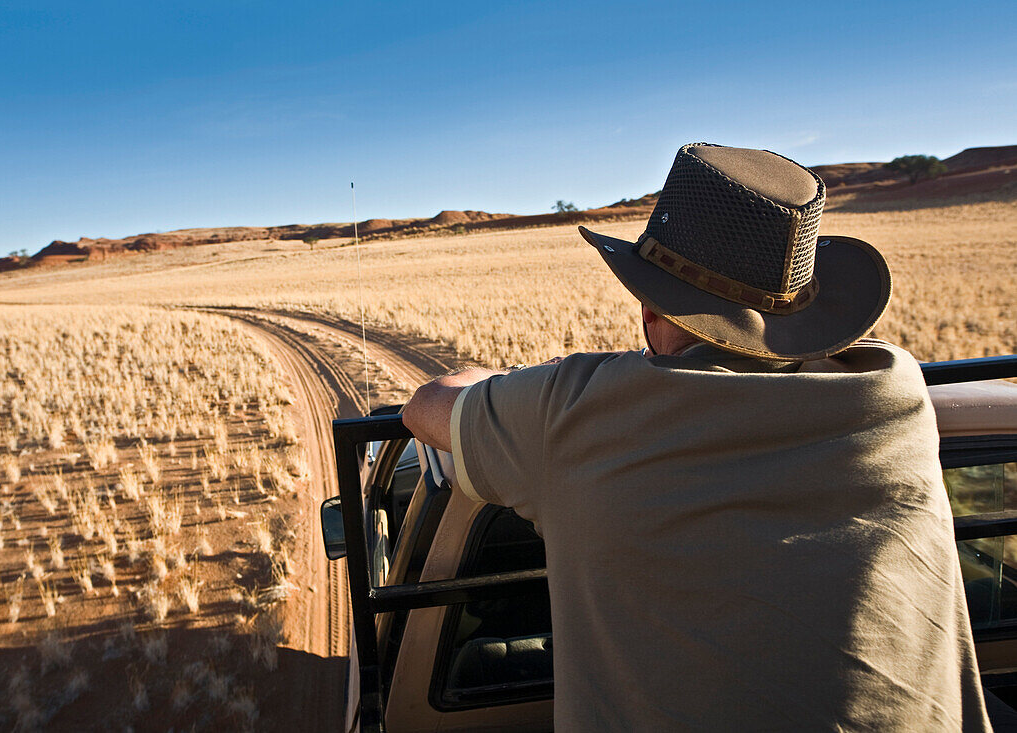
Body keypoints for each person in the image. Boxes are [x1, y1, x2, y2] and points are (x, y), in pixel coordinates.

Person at [402, 143, 993, 731]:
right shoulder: (896, 386)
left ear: (650, 311)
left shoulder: (574, 410)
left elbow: (425, 406)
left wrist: (514, 384)